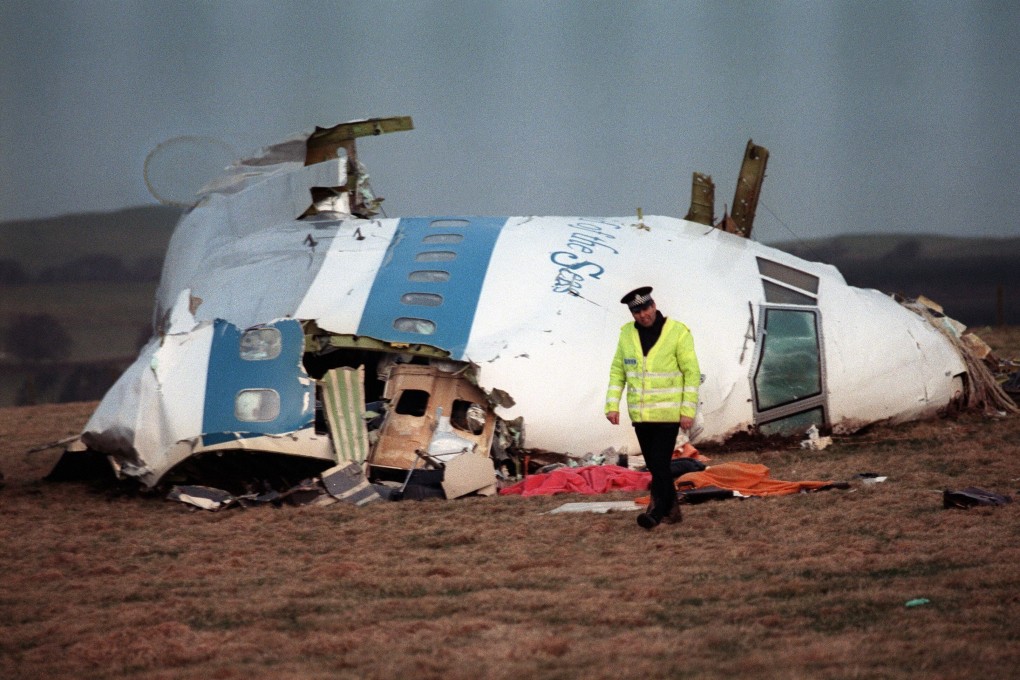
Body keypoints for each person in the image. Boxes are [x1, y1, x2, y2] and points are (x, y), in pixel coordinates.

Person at [605, 286, 700, 530]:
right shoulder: (626, 334)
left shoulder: (678, 332)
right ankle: (672, 510)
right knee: (657, 467)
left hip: (668, 415)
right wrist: (611, 405)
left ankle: (656, 513)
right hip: (641, 415)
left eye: (646, 308)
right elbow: (618, 371)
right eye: (636, 311)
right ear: (632, 313)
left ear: (654, 305)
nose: (642, 315)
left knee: (658, 464)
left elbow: (692, 373)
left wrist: (687, 411)